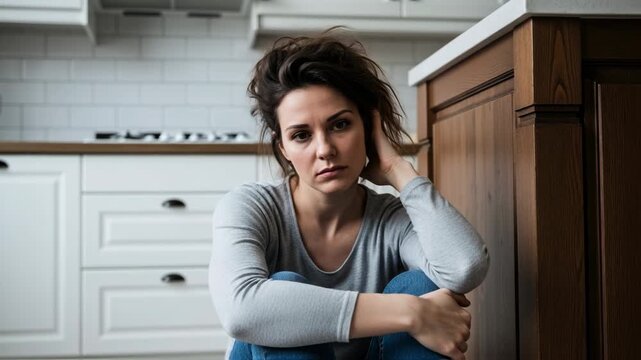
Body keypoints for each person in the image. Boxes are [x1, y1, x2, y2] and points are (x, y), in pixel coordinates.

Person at [208, 30, 490, 360]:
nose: (325, 149)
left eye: (340, 125)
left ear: (368, 128)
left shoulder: (390, 219)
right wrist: (412, 312)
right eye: (301, 135)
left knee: (419, 285)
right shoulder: (251, 207)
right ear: (283, 147)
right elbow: (241, 311)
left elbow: (464, 268)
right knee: (283, 286)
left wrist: (398, 168)